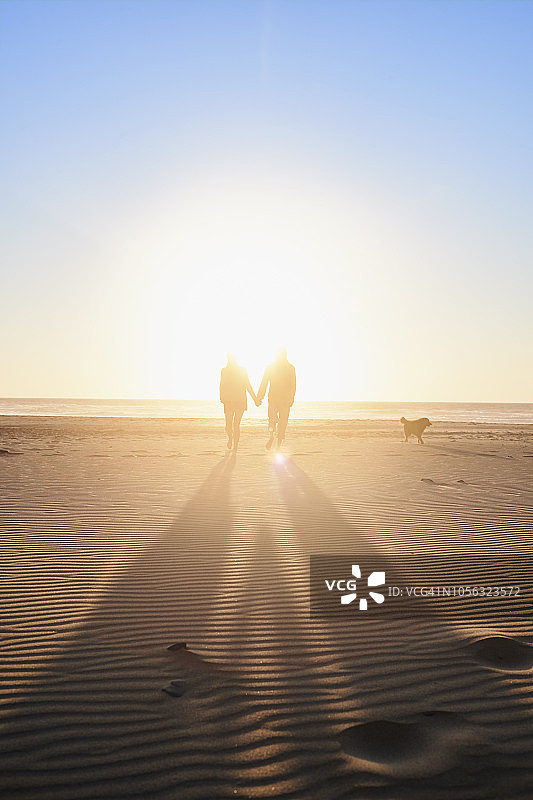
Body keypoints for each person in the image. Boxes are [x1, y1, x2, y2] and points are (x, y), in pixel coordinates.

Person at [256, 348, 296, 450]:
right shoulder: (290, 367)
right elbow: (293, 386)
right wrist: (291, 399)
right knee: (282, 421)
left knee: (273, 420)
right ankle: (277, 443)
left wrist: (259, 397)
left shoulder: (272, 367)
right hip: (283, 399)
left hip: (275, 398)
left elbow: (264, 382)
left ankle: (272, 437)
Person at [219, 354, 258, 452]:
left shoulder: (242, 370)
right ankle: (231, 438)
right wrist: (221, 397)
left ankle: (235, 446)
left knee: (236, 424)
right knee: (228, 426)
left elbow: (248, 385)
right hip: (228, 401)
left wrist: (255, 399)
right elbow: (221, 385)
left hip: (240, 401)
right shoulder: (224, 370)